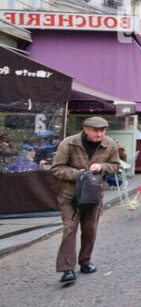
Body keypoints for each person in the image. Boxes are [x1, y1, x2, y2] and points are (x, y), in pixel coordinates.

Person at [49, 117, 122, 285]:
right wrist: (79, 174)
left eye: (103, 131)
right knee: (69, 228)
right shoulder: (68, 143)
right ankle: (67, 269)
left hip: (93, 195)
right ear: (86, 130)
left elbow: (116, 165)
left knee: (90, 229)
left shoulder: (109, 144)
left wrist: (102, 167)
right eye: (96, 131)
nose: (100, 134)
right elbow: (57, 168)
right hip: (70, 195)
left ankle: (85, 261)